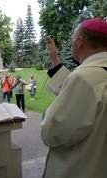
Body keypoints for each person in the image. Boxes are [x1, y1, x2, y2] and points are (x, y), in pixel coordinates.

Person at [41, 18, 107, 178]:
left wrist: (48, 115)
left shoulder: (83, 78)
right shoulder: (95, 74)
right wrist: (55, 60)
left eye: (72, 40)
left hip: (79, 168)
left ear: (79, 42)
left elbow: (53, 132)